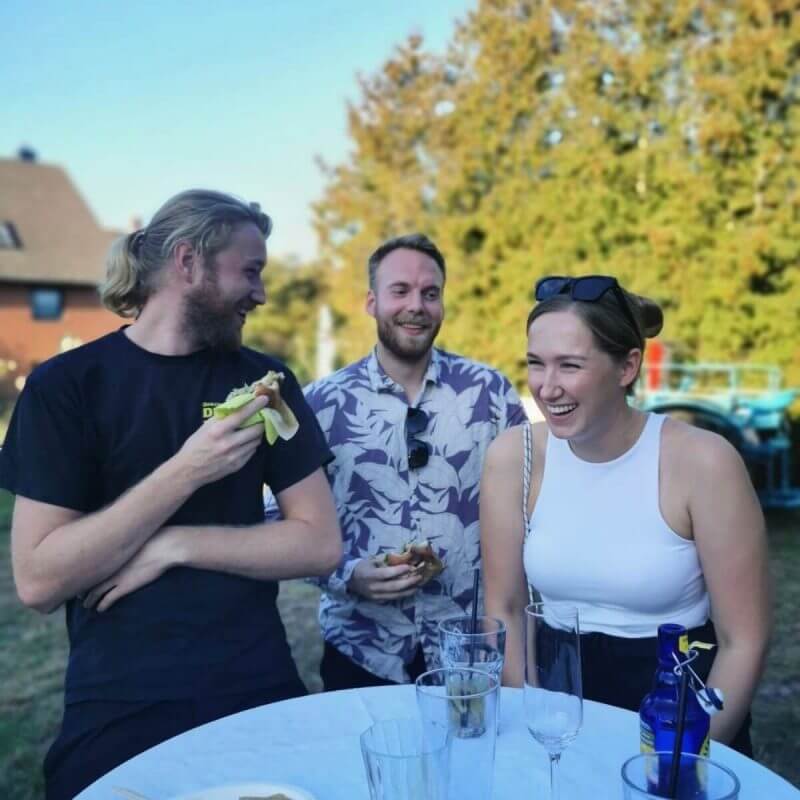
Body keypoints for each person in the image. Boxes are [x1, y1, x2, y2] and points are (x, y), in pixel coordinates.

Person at [0, 189, 342, 799]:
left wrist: (175, 544)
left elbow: (318, 544)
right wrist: (186, 470)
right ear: (188, 263)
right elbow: (38, 580)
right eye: (251, 271)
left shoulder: (262, 382)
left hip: (255, 682)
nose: (261, 294)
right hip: (120, 700)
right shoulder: (67, 387)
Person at [480, 274, 771, 755]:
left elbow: (745, 641)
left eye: (570, 366)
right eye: (536, 364)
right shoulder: (514, 457)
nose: (547, 387)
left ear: (627, 367)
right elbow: (504, 610)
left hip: (677, 705)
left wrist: (687, 756)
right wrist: (534, 725)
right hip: (558, 705)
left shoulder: (703, 461)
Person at [303, 233, 527, 689]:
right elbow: (279, 520)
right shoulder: (321, 403)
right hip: (360, 651)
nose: (416, 305)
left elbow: (532, 501)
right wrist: (347, 575)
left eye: (430, 293)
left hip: (468, 648)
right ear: (371, 302)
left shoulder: (491, 393)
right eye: (399, 291)